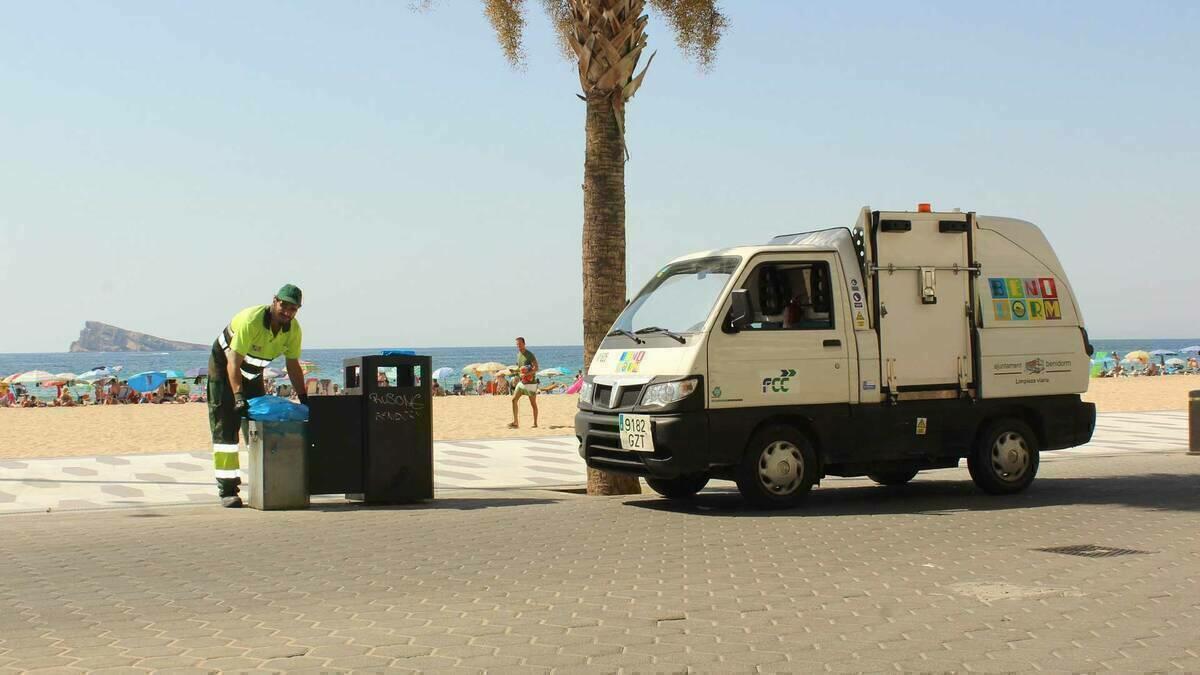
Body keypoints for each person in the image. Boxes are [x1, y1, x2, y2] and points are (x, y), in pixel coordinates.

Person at [208, 284, 307, 508]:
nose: (287, 312)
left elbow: (292, 366)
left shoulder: (293, 330)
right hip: (225, 370)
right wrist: (238, 396)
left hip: (252, 374)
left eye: (294, 309)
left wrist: (304, 397)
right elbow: (233, 362)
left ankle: (263, 482)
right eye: (284, 305)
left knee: (258, 425)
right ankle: (227, 490)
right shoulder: (251, 320)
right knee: (226, 429)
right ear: (274, 300)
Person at [509, 337, 540, 429]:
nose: (518, 346)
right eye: (517, 344)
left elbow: (536, 368)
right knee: (514, 400)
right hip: (522, 382)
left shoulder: (530, 355)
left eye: (520, 344)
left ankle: (535, 423)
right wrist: (514, 371)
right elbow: (520, 368)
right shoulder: (518, 355)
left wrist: (527, 373)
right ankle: (515, 422)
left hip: (531, 383)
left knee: (533, 404)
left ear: (524, 344)